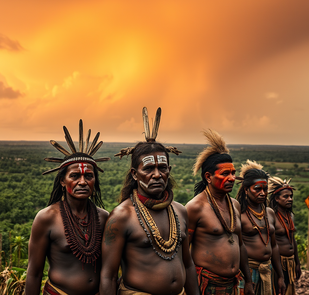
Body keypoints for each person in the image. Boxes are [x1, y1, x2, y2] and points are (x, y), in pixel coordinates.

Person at [100, 107, 200, 295]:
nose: (156, 175)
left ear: (169, 170)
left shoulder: (180, 211)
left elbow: (188, 265)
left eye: (162, 168)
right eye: (148, 169)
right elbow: (108, 276)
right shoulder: (121, 217)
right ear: (135, 174)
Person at [26, 120, 110, 295]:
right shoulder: (47, 218)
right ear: (63, 181)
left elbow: (110, 271)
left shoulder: (104, 218)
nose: (82, 182)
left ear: (95, 180)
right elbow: (34, 274)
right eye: (75, 176)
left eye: (89, 176)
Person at [186, 129, 253, 295]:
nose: (232, 178)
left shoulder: (235, 205)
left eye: (233, 173)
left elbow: (240, 244)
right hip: (206, 285)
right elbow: (183, 252)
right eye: (225, 174)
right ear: (208, 177)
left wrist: (249, 280)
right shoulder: (195, 208)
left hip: (234, 283)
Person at [236, 160, 285, 295]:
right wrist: (247, 280)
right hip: (248, 271)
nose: (263, 193)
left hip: (267, 269)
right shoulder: (239, 214)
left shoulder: (269, 213)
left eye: (265, 189)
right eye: (257, 189)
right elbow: (238, 248)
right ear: (246, 189)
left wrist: (280, 276)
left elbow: (274, 246)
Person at [268, 177, 301, 295]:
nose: (290, 199)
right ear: (276, 198)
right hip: (277, 263)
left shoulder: (290, 216)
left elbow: (293, 240)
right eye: (285, 197)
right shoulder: (271, 216)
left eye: (291, 196)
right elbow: (271, 243)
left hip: (290, 261)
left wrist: (297, 262)